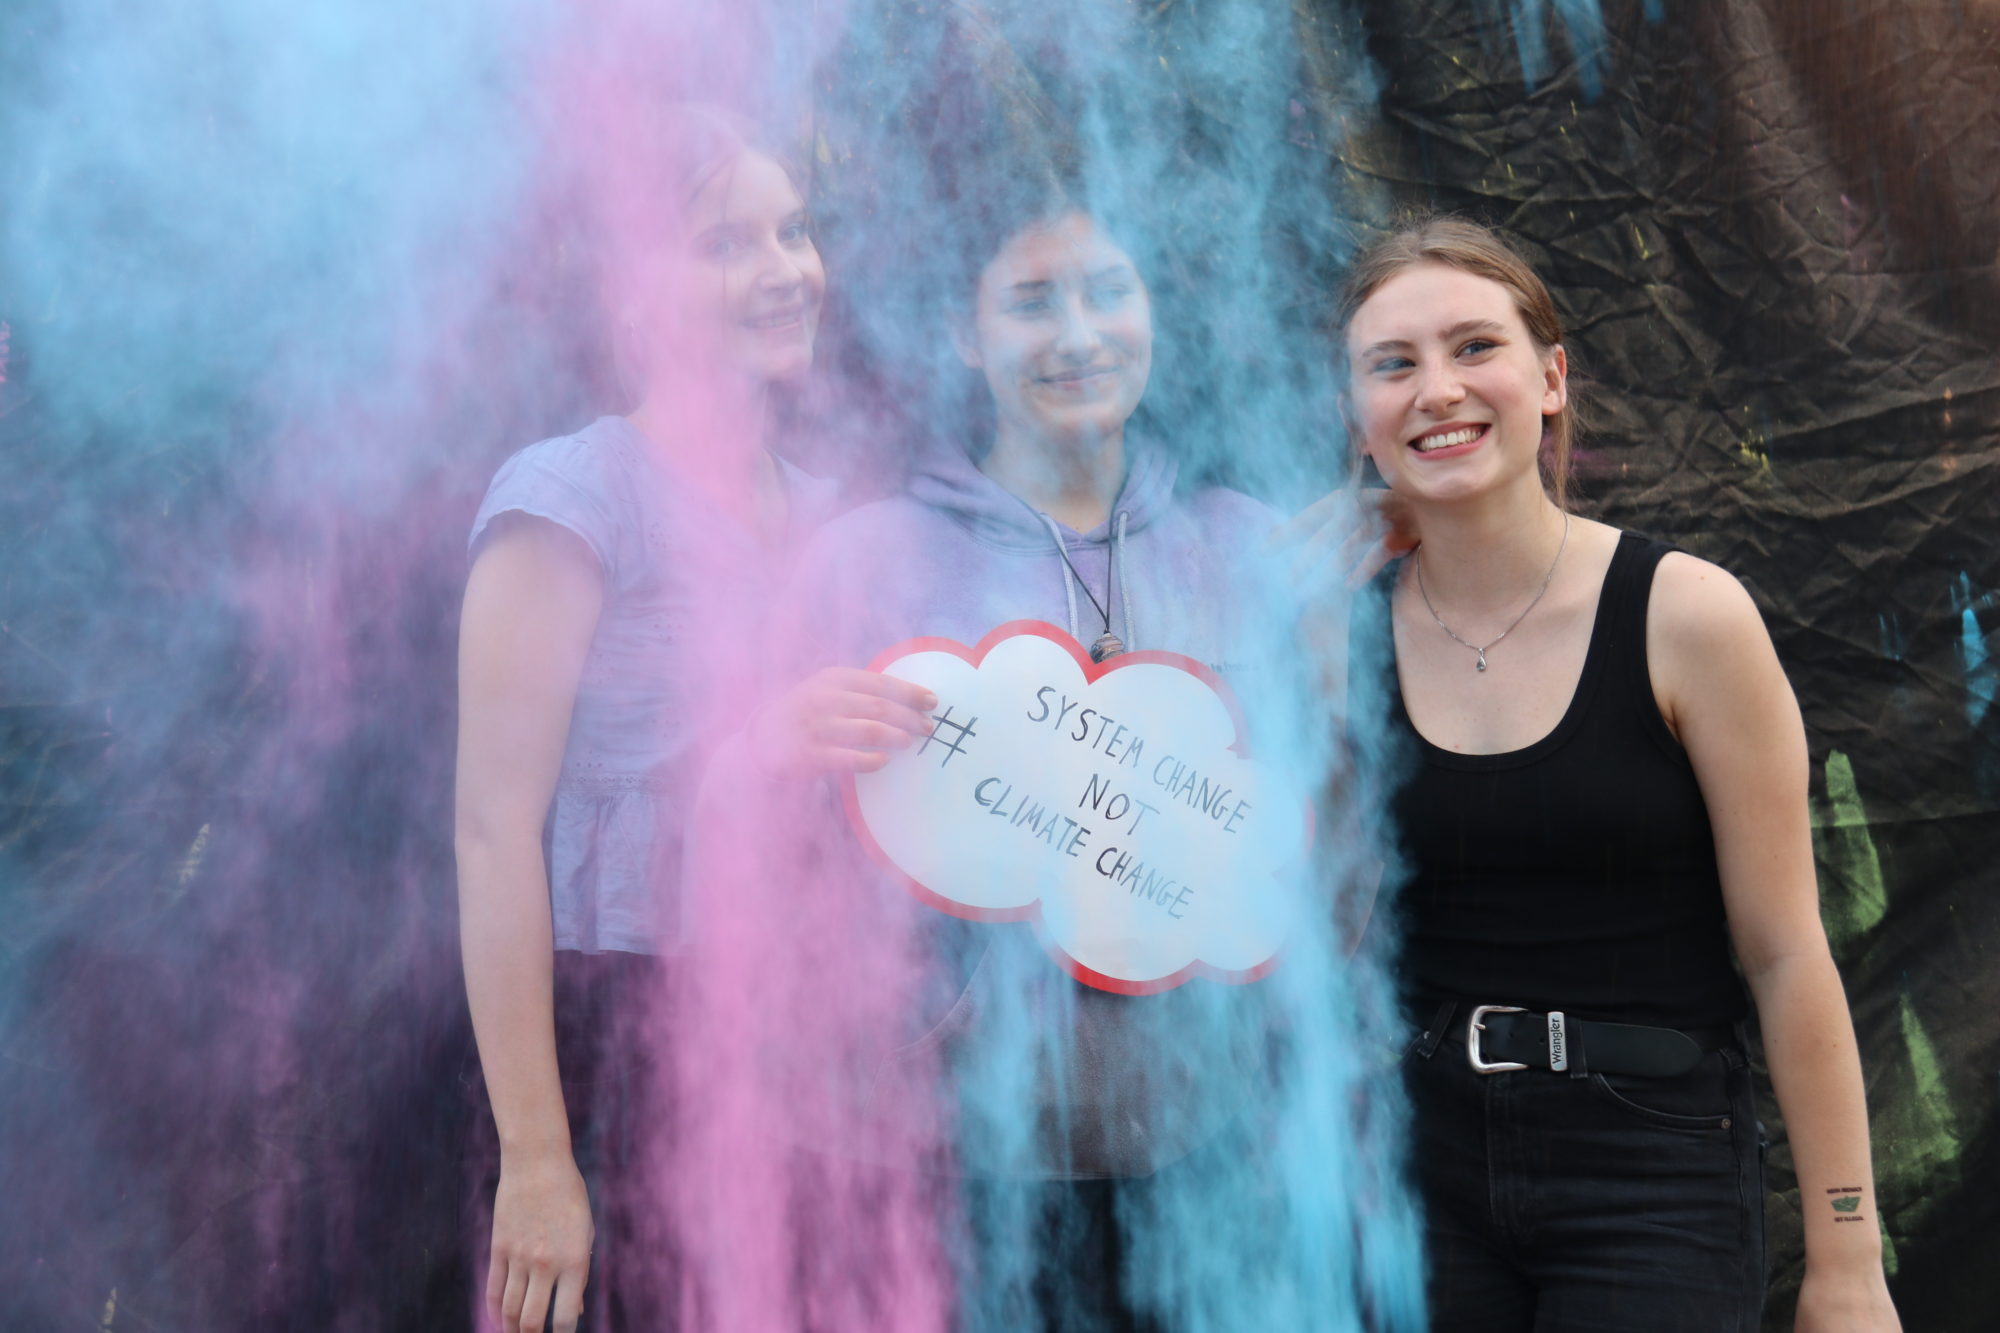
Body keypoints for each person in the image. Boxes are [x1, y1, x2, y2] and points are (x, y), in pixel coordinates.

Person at [691, 184, 1319, 1330]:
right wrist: (761, 756)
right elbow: (751, 881)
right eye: (1030, 302)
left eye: (1106, 292)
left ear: (1151, 310)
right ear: (962, 335)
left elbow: (1337, 828)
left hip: (1218, 1159)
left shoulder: (1243, 547)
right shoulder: (869, 562)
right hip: (956, 1169)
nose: (1077, 336)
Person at [1334, 216, 1901, 1332]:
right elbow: (1300, 932)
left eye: (1473, 347)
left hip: (1655, 1169)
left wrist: (1847, 1261)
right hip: (1416, 1171)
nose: (1437, 390)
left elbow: (1786, 954)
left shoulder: (1686, 615)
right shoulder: (1335, 636)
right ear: (1356, 416)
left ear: (1550, 379)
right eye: (1391, 365)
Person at [454, 109, 856, 1333]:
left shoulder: (831, 510)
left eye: (793, 230)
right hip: (616, 1048)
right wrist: (538, 1157)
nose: (783, 269)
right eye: (723, 242)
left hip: (807, 1052)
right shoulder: (573, 497)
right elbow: (490, 832)